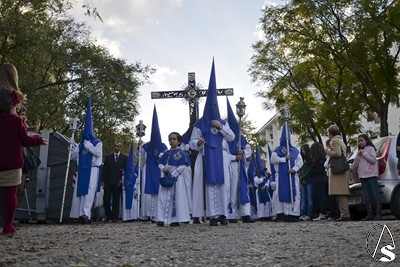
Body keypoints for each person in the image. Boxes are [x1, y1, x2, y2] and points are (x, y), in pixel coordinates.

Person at [189, 61, 235, 226]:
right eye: (210, 105)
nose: (213, 107)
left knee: (223, 185)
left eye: (215, 105)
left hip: (221, 156)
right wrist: (199, 142)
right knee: (210, 185)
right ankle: (213, 215)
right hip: (206, 155)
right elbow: (192, 142)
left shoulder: (223, 121)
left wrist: (220, 126)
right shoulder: (200, 124)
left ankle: (224, 214)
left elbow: (231, 137)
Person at [0, 87, 47, 234]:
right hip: (11, 163)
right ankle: (8, 225)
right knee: (10, 194)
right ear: (11, 105)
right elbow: (25, 140)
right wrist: (39, 139)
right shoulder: (16, 121)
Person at [70, 97, 103, 224]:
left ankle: (86, 214)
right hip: (82, 169)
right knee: (80, 192)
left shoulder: (97, 142)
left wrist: (88, 145)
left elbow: (98, 153)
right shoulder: (80, 144)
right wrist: (72, 146)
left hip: (93, 169)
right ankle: (78, 214)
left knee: (89, 192)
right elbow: (73, 157)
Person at [156, 132, 192, 226]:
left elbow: (183, 165)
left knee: (175, 198)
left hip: (176, 179)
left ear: (179, 141)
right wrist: (163, 168)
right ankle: (162, 218)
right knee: (163, 198)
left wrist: (174, 174)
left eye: (174, 139)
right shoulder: (166, 153)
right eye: (170, 139)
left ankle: (174, 219)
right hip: (166, 177)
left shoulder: (180, 153)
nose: (171, 141)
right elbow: (159, 163)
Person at [270, 123, 303, 222]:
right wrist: (284, 158)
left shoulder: (294, 151)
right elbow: (273, 160)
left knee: (294, 193)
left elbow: (300, 162)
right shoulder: (277, 150)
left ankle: (292, 214)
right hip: (281, 177)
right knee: (279, 194)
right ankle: (280, 213)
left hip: (292, 176)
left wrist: (294, 169)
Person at [325, 124, 350, 221]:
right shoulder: (340, 140)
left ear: (331, 133)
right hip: (342, 169)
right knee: (341, 193)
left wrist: (327, 150)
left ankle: (345, 214)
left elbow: (337, 153)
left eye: (328, 133)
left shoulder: (334, 141)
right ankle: (344, 213)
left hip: (337, 170)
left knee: (340, 193)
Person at [353, 134, 380, 220]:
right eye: (359, 141)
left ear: (366, 141)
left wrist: (364, 154)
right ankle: (370, 214)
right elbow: (355, 165)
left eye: (362, 140)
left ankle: (378, 214)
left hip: (371, 175)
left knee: (374, 194)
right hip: (363, 176)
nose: (360, 142)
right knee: (367, 196)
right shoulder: (359, 151)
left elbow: (373, 160)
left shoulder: (370, 149)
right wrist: (358, 156)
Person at [101, 142, 128, 222]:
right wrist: (102, 181)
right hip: (108, 181)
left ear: (120, 148)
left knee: (116, 200)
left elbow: (126, 170)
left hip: (118, 182)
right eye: (115, 146)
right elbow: (104, 169)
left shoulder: (124, 158)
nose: (116, 147)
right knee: (106, 199)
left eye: (118, 146)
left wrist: (122, 179)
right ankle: (108, 215)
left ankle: (114, 216)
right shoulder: (108, 157)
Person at [309, 142, 329, 221]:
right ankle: (324, 211)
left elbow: (318, 170)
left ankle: (323, 212)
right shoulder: (323, 158)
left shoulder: (318, 160)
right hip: (323, 177)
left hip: (319, 178)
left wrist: (311, 171)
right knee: (323, 195)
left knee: (321, 196)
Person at [298, 144, 313, 221]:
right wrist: (300, 177)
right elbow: (299, 169)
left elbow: (310, 170)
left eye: (304, 150)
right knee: (303, 198)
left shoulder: (310, 159)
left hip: (309, 180)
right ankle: (302, 213)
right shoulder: (301, 160)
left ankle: (309, 214)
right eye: (302, 150)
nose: (303, 151)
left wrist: (303, 177)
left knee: (309, 197)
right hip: (302, 180)